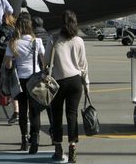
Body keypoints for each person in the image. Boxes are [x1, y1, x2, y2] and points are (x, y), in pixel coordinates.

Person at [45, 10, 89, 163]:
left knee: (56, 114)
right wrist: (87, 83)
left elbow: (45, 61)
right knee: (72, 115)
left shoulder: (54, 39)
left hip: (58, 81)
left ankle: (58, 147)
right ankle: (72, 148)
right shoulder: (78, 41)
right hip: (75, 81)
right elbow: (84, 65)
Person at [4, 12, 45, 153]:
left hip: (20, 78)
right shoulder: (37, 41)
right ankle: (35, 138)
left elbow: (8, 65)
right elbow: (44, 62)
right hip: (34, 78)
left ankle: (23, 139)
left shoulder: (13, 42)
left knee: (22, 110)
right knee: (35, 111)